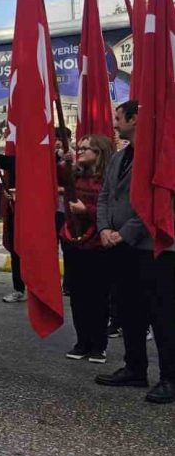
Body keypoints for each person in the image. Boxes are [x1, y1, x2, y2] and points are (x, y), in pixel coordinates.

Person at [95, 101, 175, 403]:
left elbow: (155, 202)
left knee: (162, 314)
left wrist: (123, 233)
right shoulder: (118, 157)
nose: (115, 124)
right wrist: (103, 228)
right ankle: (135, 368)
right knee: (129, 310)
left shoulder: (160, 156)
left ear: (135, 118)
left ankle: (169, 377)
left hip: (151, 247)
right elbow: (105, 195)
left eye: (119, 118)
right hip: (120, 246)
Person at [62, 134, 114, 364]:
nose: (80, 151)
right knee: (78, 295)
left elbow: (111, 210)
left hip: (98, 244)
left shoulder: (107, 179)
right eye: (79, 148)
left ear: (99, 153)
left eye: (86, 148)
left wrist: (88, 211)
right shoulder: (74, 175)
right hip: (74, 241)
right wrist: (62, 160)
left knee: (97, 297)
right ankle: (82, 341)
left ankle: (99, 345)